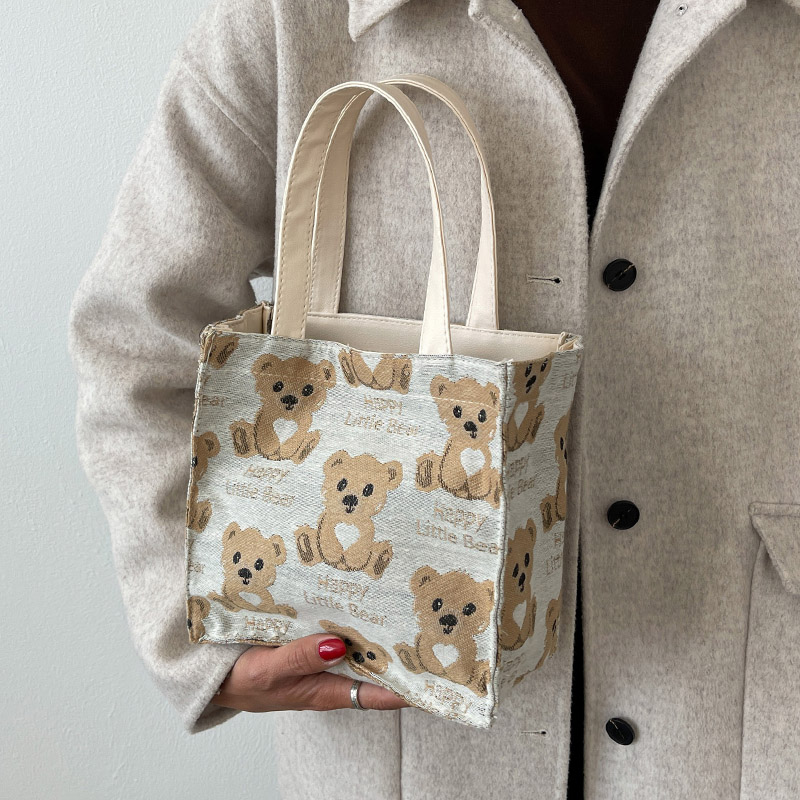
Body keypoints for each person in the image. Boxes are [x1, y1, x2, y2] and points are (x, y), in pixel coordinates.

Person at [67, 1, 800, 799]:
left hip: (755, 709)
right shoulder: (292, 19)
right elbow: (135, 339)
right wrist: (200, 638)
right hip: (402, 732)